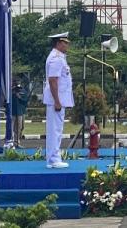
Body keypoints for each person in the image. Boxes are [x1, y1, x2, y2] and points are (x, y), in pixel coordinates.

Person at [43, 32, 74, 168]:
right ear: (58, 43)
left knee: (54, 129)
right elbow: (53, 80)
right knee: (55, 130)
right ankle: (54, 159)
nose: (67, 45)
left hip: (58, 99)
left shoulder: (60, 57)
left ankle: (51, 158)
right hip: (56, 100)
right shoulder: (56, 58)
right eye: (65, 42)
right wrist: (57, 101)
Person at [11, 80, 29, 148]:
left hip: (20, 112)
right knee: (12, 128)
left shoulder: (23, 91)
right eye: (16, 84)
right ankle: (11, 143)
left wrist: (20, 97)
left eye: (18, 83)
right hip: (12, 113)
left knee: (20, 128)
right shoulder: (10, 92)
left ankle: (17, 143)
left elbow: (25, 101)